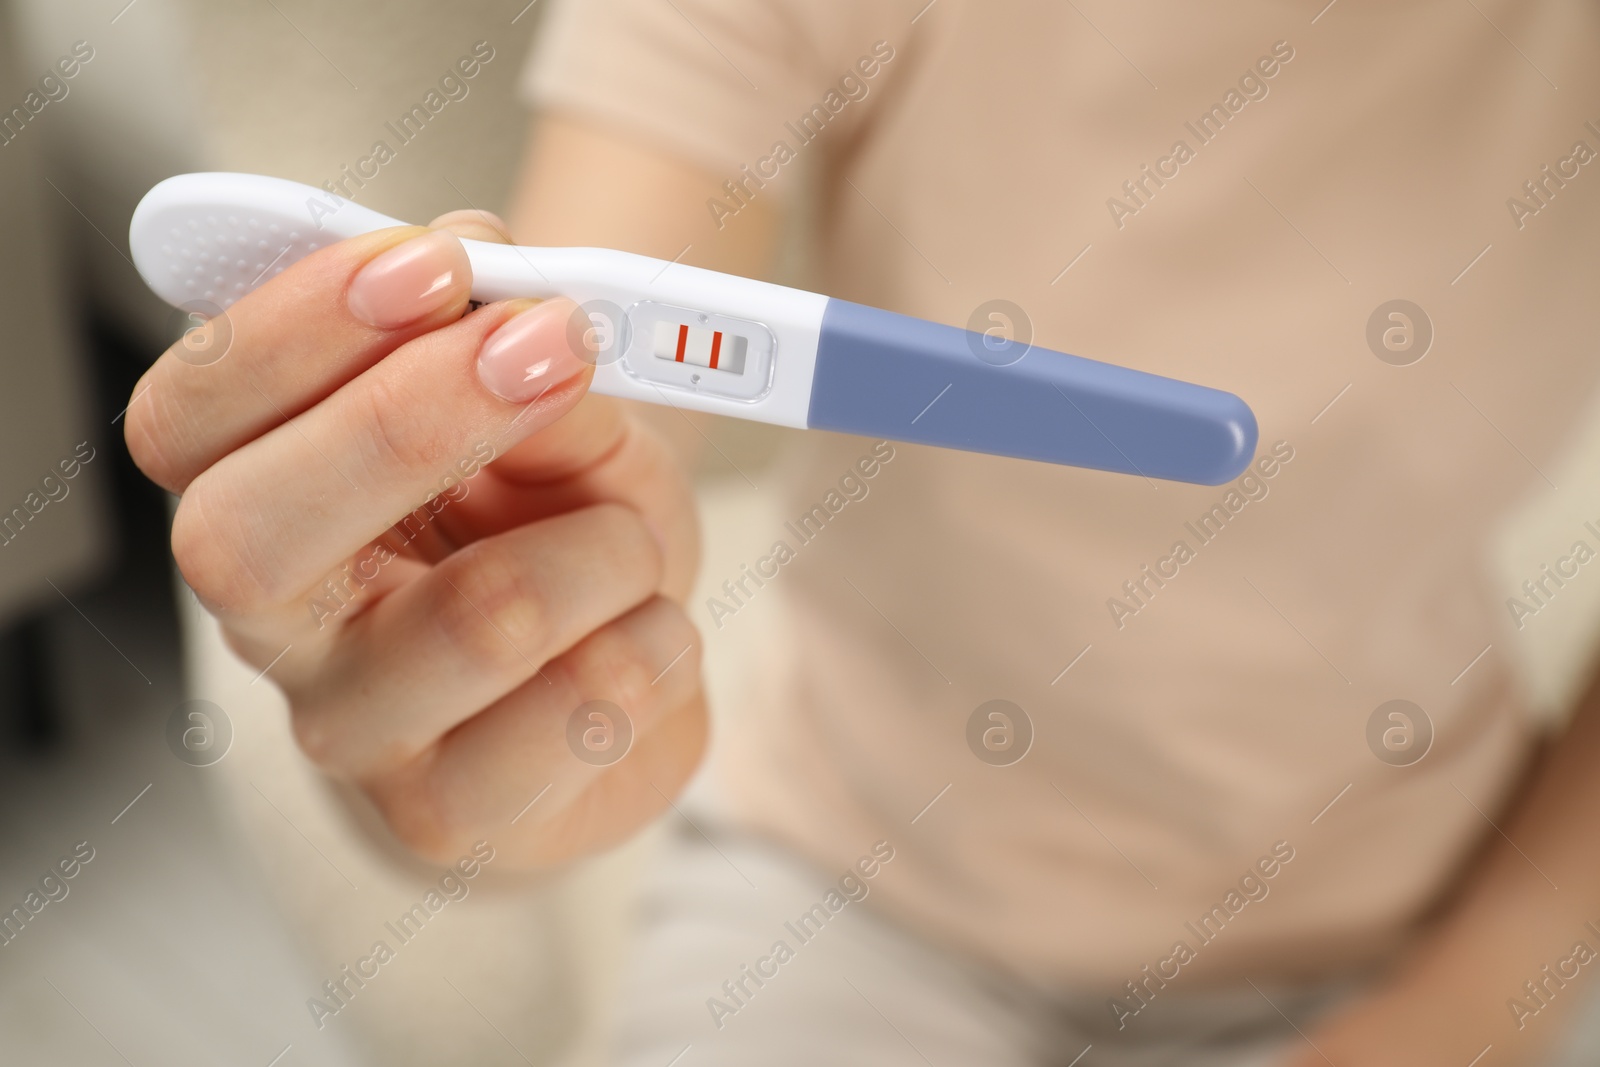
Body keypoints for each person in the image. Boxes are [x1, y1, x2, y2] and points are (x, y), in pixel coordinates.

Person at [124, 1, 1600, 1063]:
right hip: (843, 883)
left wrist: (1477, 1004)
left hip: (1419, 920)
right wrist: (509, 684)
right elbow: (563, 472)